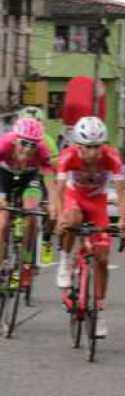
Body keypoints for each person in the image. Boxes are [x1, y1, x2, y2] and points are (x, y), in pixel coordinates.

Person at [55, 117, 125, 338]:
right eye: (88, 147)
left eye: (97, 147)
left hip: (97, 202)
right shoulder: (68, 155)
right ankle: (66, 262)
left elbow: (122, 195)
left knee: (103, 258)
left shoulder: (111, 157)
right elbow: (58, 192)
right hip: (74, 197)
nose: (93, 153)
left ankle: (99, 312)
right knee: (72, 219)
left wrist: (124, 221)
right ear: (78, 145)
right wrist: (60, 218)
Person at [0, 118, 57, 286]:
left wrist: (53, 204)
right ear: (15, 139)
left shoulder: (42, 151)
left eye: (33, 145)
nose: (27, 149)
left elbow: (49, 180)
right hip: (3, 177)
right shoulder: (4, 144)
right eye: (23, 143)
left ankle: (26, 263)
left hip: (29, 179)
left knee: (31, 213)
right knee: (2, 223)